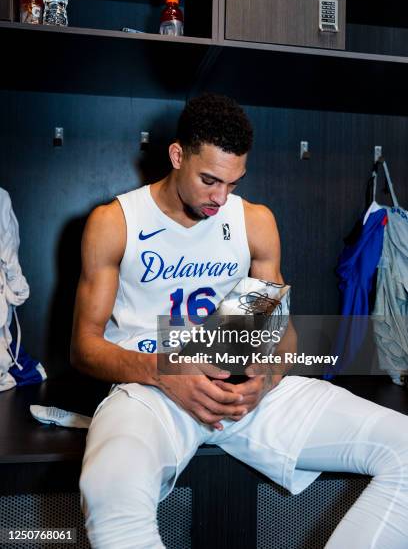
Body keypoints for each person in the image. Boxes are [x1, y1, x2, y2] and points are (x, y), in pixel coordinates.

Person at [71, 94, 408, 548]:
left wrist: (266, 378)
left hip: (244, 393)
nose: (220, 197)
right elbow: (84, 347)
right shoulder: (115, 221)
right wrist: (164, 373)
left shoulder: (254, 221)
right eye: (209, 180)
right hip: (153, 388)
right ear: (176, 156)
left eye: (233, 182)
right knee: (108, 489)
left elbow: (284, 336)